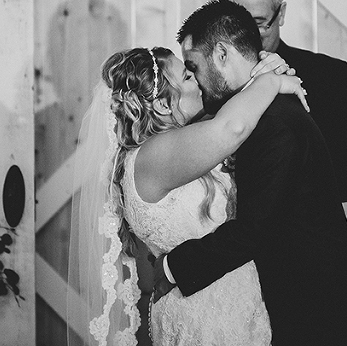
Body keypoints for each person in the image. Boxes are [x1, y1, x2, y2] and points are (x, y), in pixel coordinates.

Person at [154, 0, 347, 345]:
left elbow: (254, 230)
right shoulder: (262, 110)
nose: (196, 81)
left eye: (194, 66)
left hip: (319, 316)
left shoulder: (272, 123)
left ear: (221, 54)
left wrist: (171, 268)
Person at [68, 42, 309, 346]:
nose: (197, 78)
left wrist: (262, 73)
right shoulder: (153, 157)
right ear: (162, 105)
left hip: (229, 304)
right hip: (205, 317)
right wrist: (271, 81)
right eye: (186, 76)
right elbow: (233, 127)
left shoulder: (179, 144)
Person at [222, 0, 347, 202]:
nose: (245, 35)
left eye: (258, 23)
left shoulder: (325, 76)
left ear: (281, 14)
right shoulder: (205, 78)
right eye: (234, 23)